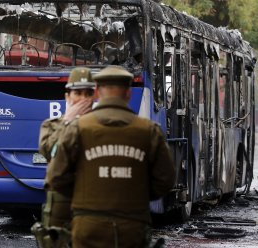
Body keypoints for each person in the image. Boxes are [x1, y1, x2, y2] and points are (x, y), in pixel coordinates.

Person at [45, 65, 176, 248]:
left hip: (88, 226)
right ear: (128, 93)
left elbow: (55, 177)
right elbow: (166, 180)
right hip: (132, 226)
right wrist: (135, 194)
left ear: (97, 92)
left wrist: (85, 194)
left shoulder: (78, 128)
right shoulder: (149, 131)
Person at [32, 67, 95, 248]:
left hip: (92, 200)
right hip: (60, 201)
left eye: (87, 93)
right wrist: (68, 121)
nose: (82, 98)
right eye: (77, 93)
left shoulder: (100, 126)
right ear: (68, 96)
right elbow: (49, 152)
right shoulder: (52, 126)